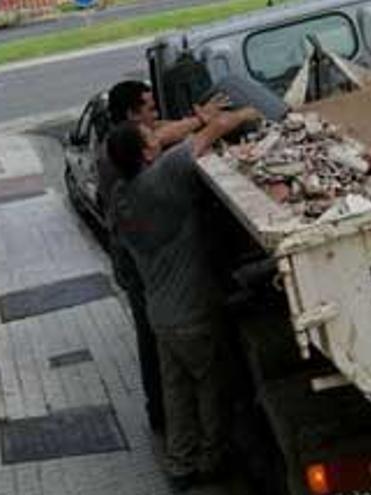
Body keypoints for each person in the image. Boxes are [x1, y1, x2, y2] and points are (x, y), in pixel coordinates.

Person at [106, 107, 260, 486]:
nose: (157, 136)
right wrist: (248, 110)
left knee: (176, 393)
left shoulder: (122, 195)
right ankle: (212, 460)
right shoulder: (167, 175)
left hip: (160, 314)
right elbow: (219, 130)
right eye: (150, 136)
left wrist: (192, 121)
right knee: (209, 388)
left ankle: (179, 465)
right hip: (193, 313)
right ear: (145, 153)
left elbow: (172, 139)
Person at [100, 80, 226, 433]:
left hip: (158, 304)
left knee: (174, 383)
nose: (157, 118)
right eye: (150, 110)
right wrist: (218, 120)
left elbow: (164, 135)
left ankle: (177, 449)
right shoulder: (156, 179)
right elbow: (183, 141)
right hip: (177, 303)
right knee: (205, 384)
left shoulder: (122, 167)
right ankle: (208, 452)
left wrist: (190, 122)